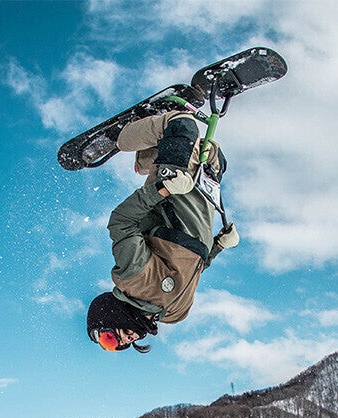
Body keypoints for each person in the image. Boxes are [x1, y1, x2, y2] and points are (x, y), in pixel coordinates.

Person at [86, 109, 239, 353]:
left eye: (109, 339)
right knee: (215, 156)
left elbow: (121, 222)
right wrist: (219, 245)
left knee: (182, 126)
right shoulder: (173, 314)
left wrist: (162, 189)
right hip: (203, 197)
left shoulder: (133, 277)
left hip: (175, 191)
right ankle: (147, 158)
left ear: (108, 315)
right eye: (114, 347)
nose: (121, 343)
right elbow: (191, 267)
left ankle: (122, 137)